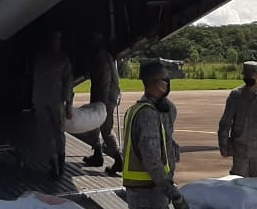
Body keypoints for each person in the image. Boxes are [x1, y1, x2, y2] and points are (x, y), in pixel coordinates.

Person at [122, 60, 188, 209]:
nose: (168, 84)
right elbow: (151, 158)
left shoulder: (136, 109)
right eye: (166, 80)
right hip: (149, 191)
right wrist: (173, 193)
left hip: (145, 189)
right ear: (156, 83)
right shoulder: (148, 115)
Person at [218, 61, 257, 177]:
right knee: (238, 185)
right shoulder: (235, 96)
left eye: (250, 75)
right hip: (240, 151)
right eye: (245, 76)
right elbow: (225, 123)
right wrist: (223, 144)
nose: (247, 78)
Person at [79, 31, 124, 174]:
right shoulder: (104, 55)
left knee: (105, 128)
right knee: (95, 126)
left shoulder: (100, 56)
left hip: (105, 98)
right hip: (104, 96)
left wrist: (101, 104)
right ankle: (97, 154)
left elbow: (104, 82)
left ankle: (118, 160)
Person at [32, 29, 74, 179]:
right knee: (57, 133)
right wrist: (68, 104)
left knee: (50, 133)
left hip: (43, 99)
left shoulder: (40, 58)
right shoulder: (62, 59)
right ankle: (58, 165)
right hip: (54, 100)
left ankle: (56, 165)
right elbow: (68, 83)